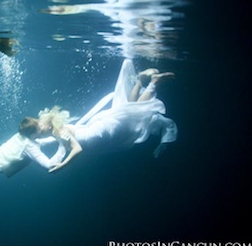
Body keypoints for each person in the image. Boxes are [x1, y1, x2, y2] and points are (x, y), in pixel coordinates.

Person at [36, 59, 178, 173]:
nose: (39, 132)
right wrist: (40, 144)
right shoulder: (58, 130)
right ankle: (140, 80)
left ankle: (153, 82)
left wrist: (63, 165)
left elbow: (77, 149)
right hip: (102, 129)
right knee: (128, 111)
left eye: (40, 130)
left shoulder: (61, 132)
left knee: (135, 116)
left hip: (103, 132)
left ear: (49, 125)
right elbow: (55, 143)